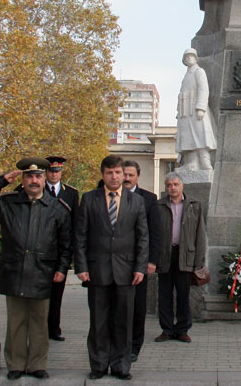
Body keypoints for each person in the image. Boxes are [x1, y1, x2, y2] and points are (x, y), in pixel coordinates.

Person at [0, 157, 72, 380]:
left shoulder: (58, 208)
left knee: (40, 322)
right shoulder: (8, 203)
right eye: (29, 176)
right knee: (16, 322)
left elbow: (66, 244)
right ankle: (16, 365)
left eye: (38, 176)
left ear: (45, 177)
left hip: (42, 272)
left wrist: (62, 269)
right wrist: (1, 180)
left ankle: (37, 364)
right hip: (15, 271)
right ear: (23, 179)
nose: (34, 180)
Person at [74, 155, 148, 381]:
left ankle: (121, 366)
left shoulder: (136, 201)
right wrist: (81, 265)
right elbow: (80, 235)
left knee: (123, 321)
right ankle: (98, 365)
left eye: (118, 172)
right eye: (109, 173)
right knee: (98, 321)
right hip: (97, 270)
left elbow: (143, 237)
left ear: (123, 174)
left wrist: (140, 267)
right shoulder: (89, 199)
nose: (115, 177)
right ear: (103, 175)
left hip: (126, 272)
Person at [154, 172, 207, 344]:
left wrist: (199, 261)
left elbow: (200, 234)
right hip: (165, 255)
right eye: (169, 185)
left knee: (183, 295)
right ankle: (167, 329)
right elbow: (153, 234)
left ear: (182, 186)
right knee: (164, 295)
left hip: (186, 255)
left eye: (175, 184)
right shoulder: (159, 206)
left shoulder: (194, 205)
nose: (172, 188)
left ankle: (183, 329)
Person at [122, 160, 162, 362]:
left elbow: (155, 233)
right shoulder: (111, 195)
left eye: (130, 175)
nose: (127, 179)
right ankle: (119, 343)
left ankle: (134, 346)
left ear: (138, 176)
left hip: (140, 262)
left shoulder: (149, 198)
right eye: (124, 175)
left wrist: (152, 261)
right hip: (118, 261)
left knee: (138, 307)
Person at [43, 155, 80, 342]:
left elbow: (75, 224)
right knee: (39, 294)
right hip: (40, 250)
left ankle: (54, 328)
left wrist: (72, 252)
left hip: (60, 251)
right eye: (50, 171)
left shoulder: (71, 194)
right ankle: (39, 329)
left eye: (57, 171)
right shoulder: (36, 190)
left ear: (61, 172)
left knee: (57, 294)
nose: (53, 174)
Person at [176, 48, 216, 170]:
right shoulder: (186, 76)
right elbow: (182, 94)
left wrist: (201, 107)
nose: (189, 58)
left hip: (196, 109)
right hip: (185, 111)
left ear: (196, 58)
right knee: (188, 138)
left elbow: (204, 89)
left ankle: (205, 162)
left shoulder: (199, 71)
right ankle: (192, 163)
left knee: (201, 136)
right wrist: (179, 111)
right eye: (186, 56)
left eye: (191, 56)